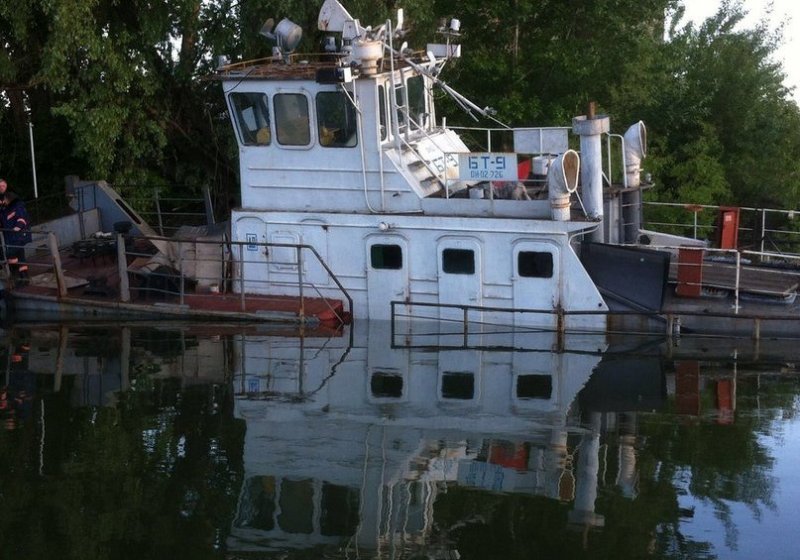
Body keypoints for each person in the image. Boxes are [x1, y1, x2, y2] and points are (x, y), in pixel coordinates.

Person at [0, 178, 32, 286]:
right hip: (10, 237)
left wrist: (18, 227)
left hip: (17, 235)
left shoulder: (16, 204)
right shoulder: (4, 210)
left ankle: (18, 276)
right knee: (19, 256)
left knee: (11, 254)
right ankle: (23, 277)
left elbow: (21, 217)